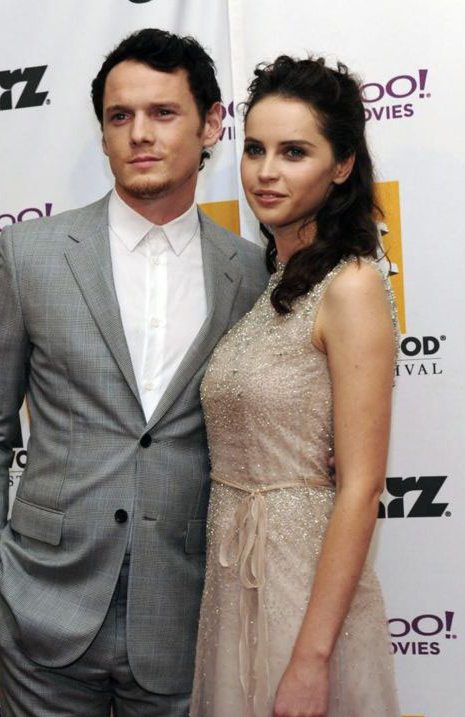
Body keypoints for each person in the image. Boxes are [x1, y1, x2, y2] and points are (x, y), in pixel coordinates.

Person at [0, 29, 268, 717]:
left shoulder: (250, 273)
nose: (139, 134)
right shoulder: (31, 254)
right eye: (120, 116)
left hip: (185, 617)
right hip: (39, 610)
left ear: (212, 123)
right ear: (102, 132)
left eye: (163, 112)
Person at [190, 56, 400, 717]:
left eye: (294, 152)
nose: (266, 171)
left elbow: (361, 485)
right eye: (255, 149)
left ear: (342, 165)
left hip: (303, 589)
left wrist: (311, 659)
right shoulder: (272, 284)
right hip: (235, 581)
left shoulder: (352, 285)